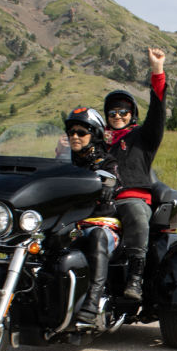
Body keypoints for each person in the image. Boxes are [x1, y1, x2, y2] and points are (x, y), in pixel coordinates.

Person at [103, 47, 167, 302]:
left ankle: (135, 278)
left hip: (132, 197)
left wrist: (157, 70)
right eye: (112, 113)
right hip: (100, 199)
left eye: (123, 112)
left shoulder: (143, 136)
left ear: (132, 115)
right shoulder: (98, 141)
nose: (117, 116)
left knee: (136, 214)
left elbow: (158, 110)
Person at [64, 107, 120, 328]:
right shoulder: (64, 163)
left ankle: (92, 301)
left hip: (101, 226)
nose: (75, 136)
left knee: (97, 236)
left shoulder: (107, 162)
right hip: (68, 225)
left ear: (94, 134)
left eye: (81, 132)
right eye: (71, 132)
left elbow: (115, 179)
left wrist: (108, 186)